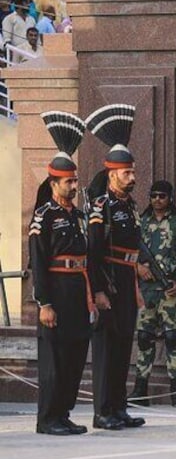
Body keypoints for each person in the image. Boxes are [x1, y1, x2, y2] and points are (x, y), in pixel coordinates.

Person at [29, 111, 91, 435]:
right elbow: (38, 261)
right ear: (54, 183)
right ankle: (48, 418)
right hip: (56, 292)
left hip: (78, 292)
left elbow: (88, 258)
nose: (73, 185)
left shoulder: (79, 216)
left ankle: (63, 413)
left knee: (76, 352)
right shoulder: (45, 217)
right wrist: (44, 303)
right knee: (54, 360)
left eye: (75, 180)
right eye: (68, 181)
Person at [87, 104, 146, 430]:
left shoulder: (130, 207)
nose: (132, 177)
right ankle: (103, 411)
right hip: (107, 281)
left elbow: (132, 252)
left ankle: (119, 408)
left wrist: (135, 286)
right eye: (127, 173)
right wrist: (97, 290)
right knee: (107, 348)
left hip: (126, 279)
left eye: (133, 171)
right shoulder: (102, 207)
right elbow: (94, 253)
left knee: (124, 344)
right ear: (112, 174)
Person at [130, 181, 176, 408]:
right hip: (146, 291)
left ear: (170, 198)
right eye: (154, 195)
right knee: (144, 338)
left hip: (169, 291)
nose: (157, 200)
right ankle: (140, 388)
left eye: (162, 196)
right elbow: (128, 252)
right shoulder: (139, 222)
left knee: (172, 339)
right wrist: (138, 268)